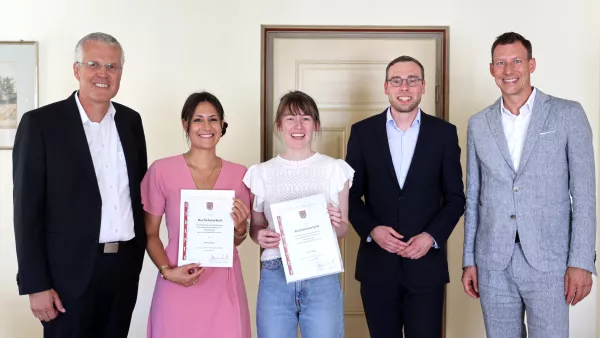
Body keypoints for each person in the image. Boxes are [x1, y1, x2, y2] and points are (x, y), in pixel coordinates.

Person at [462, 31, 597, 338]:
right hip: (493, 262)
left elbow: (585, 194)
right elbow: (474, 198)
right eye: (500, 63)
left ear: (531, 64)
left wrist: (581, 262)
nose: (508, 70)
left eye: (516, 61)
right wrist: (469, 260)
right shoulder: (478, 124)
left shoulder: (568, 114)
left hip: (550, 262)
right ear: (492, 69)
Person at [12, 32, 147, 338]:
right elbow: (26, 211)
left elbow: (138, 194)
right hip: (65, 278)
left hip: (123, 270)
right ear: (77, 70)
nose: (103, 74)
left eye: (112, 67)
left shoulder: (131, 122)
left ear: (121, 73)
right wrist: (36, 284)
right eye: (94, 64)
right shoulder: (41, 125)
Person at [345, 55, 465, 338]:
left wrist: (431, 237)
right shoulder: (362, 133)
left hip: (426, 268)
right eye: (397, 80)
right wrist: (372, 230)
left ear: (422, 86)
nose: (405, 87)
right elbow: (348, 195)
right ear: (386, 87)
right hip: (377, 267)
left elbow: (455, 198)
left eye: (412, 80)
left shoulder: (444, 134)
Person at [243, 90, 354, 338]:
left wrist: (336, 222)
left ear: (315, 124)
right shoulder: (261, 173)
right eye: (290, 118)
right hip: (275, 273)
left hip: (321, 274)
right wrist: (260, 237)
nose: (298, 125)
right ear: (279, 125)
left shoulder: (334, 169)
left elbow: (343, 228)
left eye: (306, 118)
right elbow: (257, 225)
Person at [141, 91, 252, 338]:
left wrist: (241, 229)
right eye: (198, 119)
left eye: (213, 119)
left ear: (222, 125)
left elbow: (236, 239)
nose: (206, 126)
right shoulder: (162, 171)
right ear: (185, 124)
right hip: (177, 278)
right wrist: (167, 271)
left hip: (223, 284)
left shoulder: (240, 175)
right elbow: (150, 233)